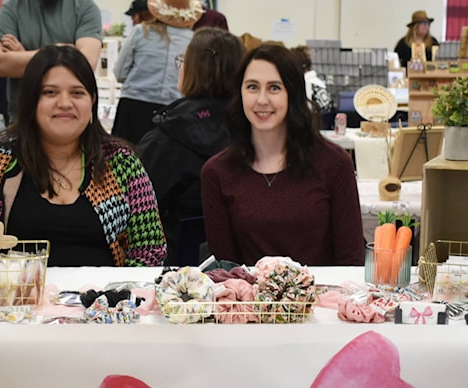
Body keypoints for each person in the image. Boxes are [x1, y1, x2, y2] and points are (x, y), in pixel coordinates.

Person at [0, 46, 166, 267]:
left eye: (77, 93)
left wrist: (117, 296)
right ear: (30, 101)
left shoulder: (121, 162)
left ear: (92, 102)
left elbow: (150, 250)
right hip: (17, 298)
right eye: (50, 92)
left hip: (103, 300)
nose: (65, 103)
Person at [201, 44, 364, 267]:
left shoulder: (335, 164)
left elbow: (351, 262)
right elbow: (225, 271)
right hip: (250, 300)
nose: (262, 99)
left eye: (274, 88)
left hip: (322, 298)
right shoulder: (217, 172)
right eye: (252, 87)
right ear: (240, 93)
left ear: (293, 94)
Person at [138, 27, 244, 265]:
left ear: (192, 69)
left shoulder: (168, 137)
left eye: (183, 60)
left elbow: (134, 204)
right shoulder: (256, 131)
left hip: (177, 266)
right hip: (247, 263)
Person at [0, 0, 103, 124]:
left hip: (69, 117)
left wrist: (23, 57)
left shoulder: (85, 8)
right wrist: (63, 50)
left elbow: (86, 63)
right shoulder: (12, 9)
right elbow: (3, 65)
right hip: (24, 119)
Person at [112, 0, 201, 145]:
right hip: (173, 111)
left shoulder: (141, 32)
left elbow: (120, 72)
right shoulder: (193, 41)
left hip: (134, 106)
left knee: (123, 158)